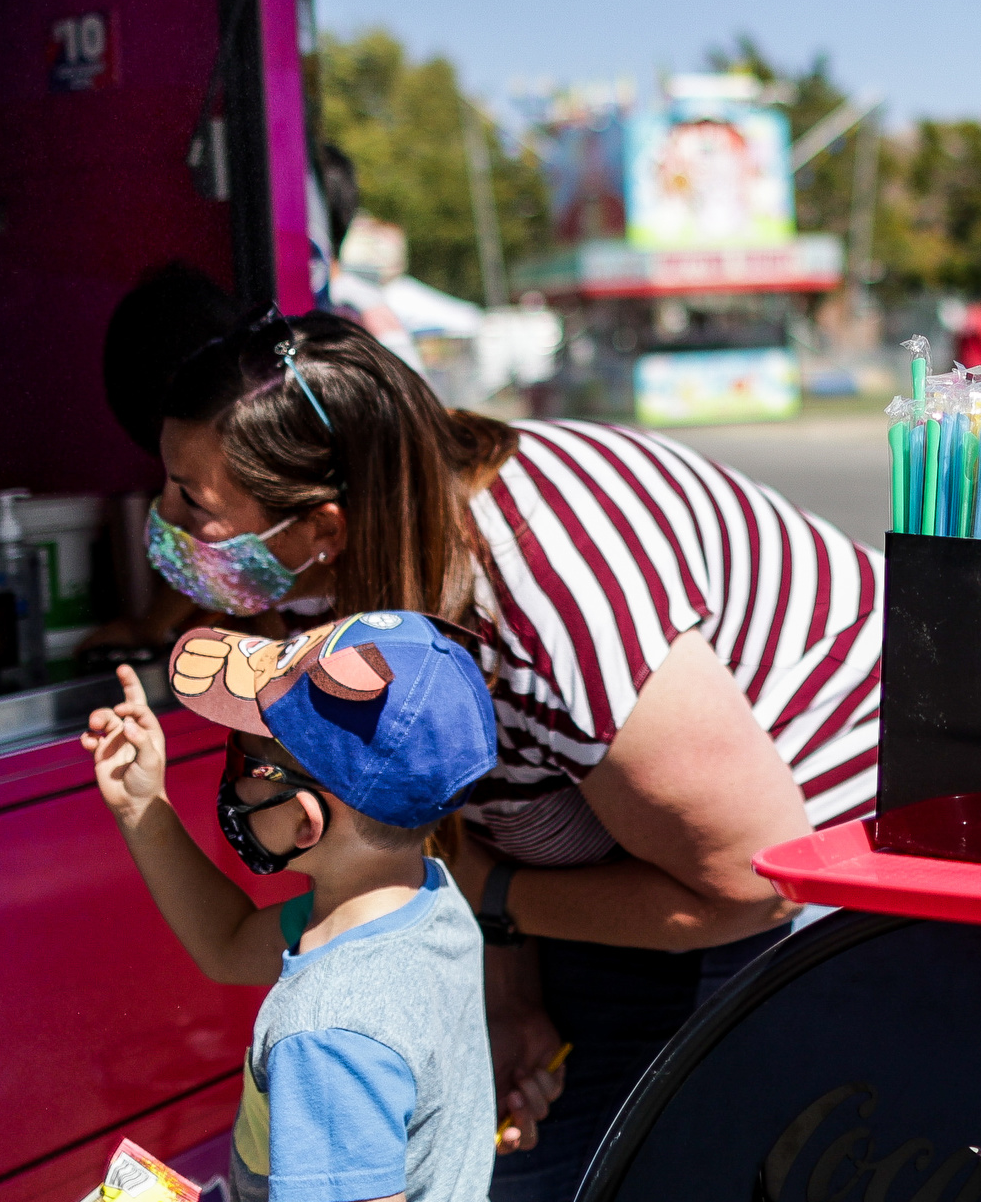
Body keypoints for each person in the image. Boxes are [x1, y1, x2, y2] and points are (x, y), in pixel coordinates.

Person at [127, 308, 881, 1202]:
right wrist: (510, 988)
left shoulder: (556, 597)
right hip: (603, 859)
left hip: (802, 845)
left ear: (322, 525)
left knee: (705, 1157)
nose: (164, 520)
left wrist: (493, 902)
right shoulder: (321, 580)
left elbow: (752, 885)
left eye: (192, 502)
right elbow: (447, 799)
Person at [82, 612, 499, 1202]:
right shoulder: (426, 899)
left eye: (242, 760)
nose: (228, 777)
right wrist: (143, 808)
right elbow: (227, 943)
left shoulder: (326, 1032)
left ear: (306, 819)